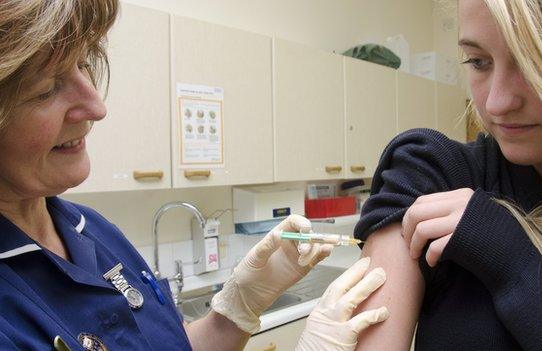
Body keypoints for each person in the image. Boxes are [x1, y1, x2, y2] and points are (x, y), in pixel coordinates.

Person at [0, 1, 389, 350]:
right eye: (47, 88)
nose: (97, 106)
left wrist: (235, 309)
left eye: (85, 63)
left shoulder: (92, 231)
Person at [353, 0, 542, 350]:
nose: (496, 103)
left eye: (533, 63)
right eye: (479, 62)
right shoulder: (431, 173)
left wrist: (518, 263)